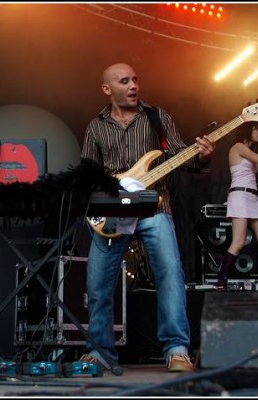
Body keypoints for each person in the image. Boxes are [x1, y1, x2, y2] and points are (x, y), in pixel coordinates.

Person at [80, 62, 216, 372]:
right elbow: (85, 174)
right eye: (124, 81)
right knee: (98, 283)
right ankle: (100, 352)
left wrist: (203, 156)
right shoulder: (95, 126)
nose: (133, 86)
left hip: (155, 207)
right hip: (113, 212)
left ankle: (177, 350)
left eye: (135, 79)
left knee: (170, 273)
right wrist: (111, 183)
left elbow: (181, 155)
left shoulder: (157, 117)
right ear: (107, 89)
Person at [215, 121, 258, 291]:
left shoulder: (249, 151)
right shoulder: (238, 147)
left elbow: (257, 163)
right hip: (240, 196)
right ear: (247, 130)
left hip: (253, 198)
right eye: (256, 128)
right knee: (239, 241)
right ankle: (220, 283)